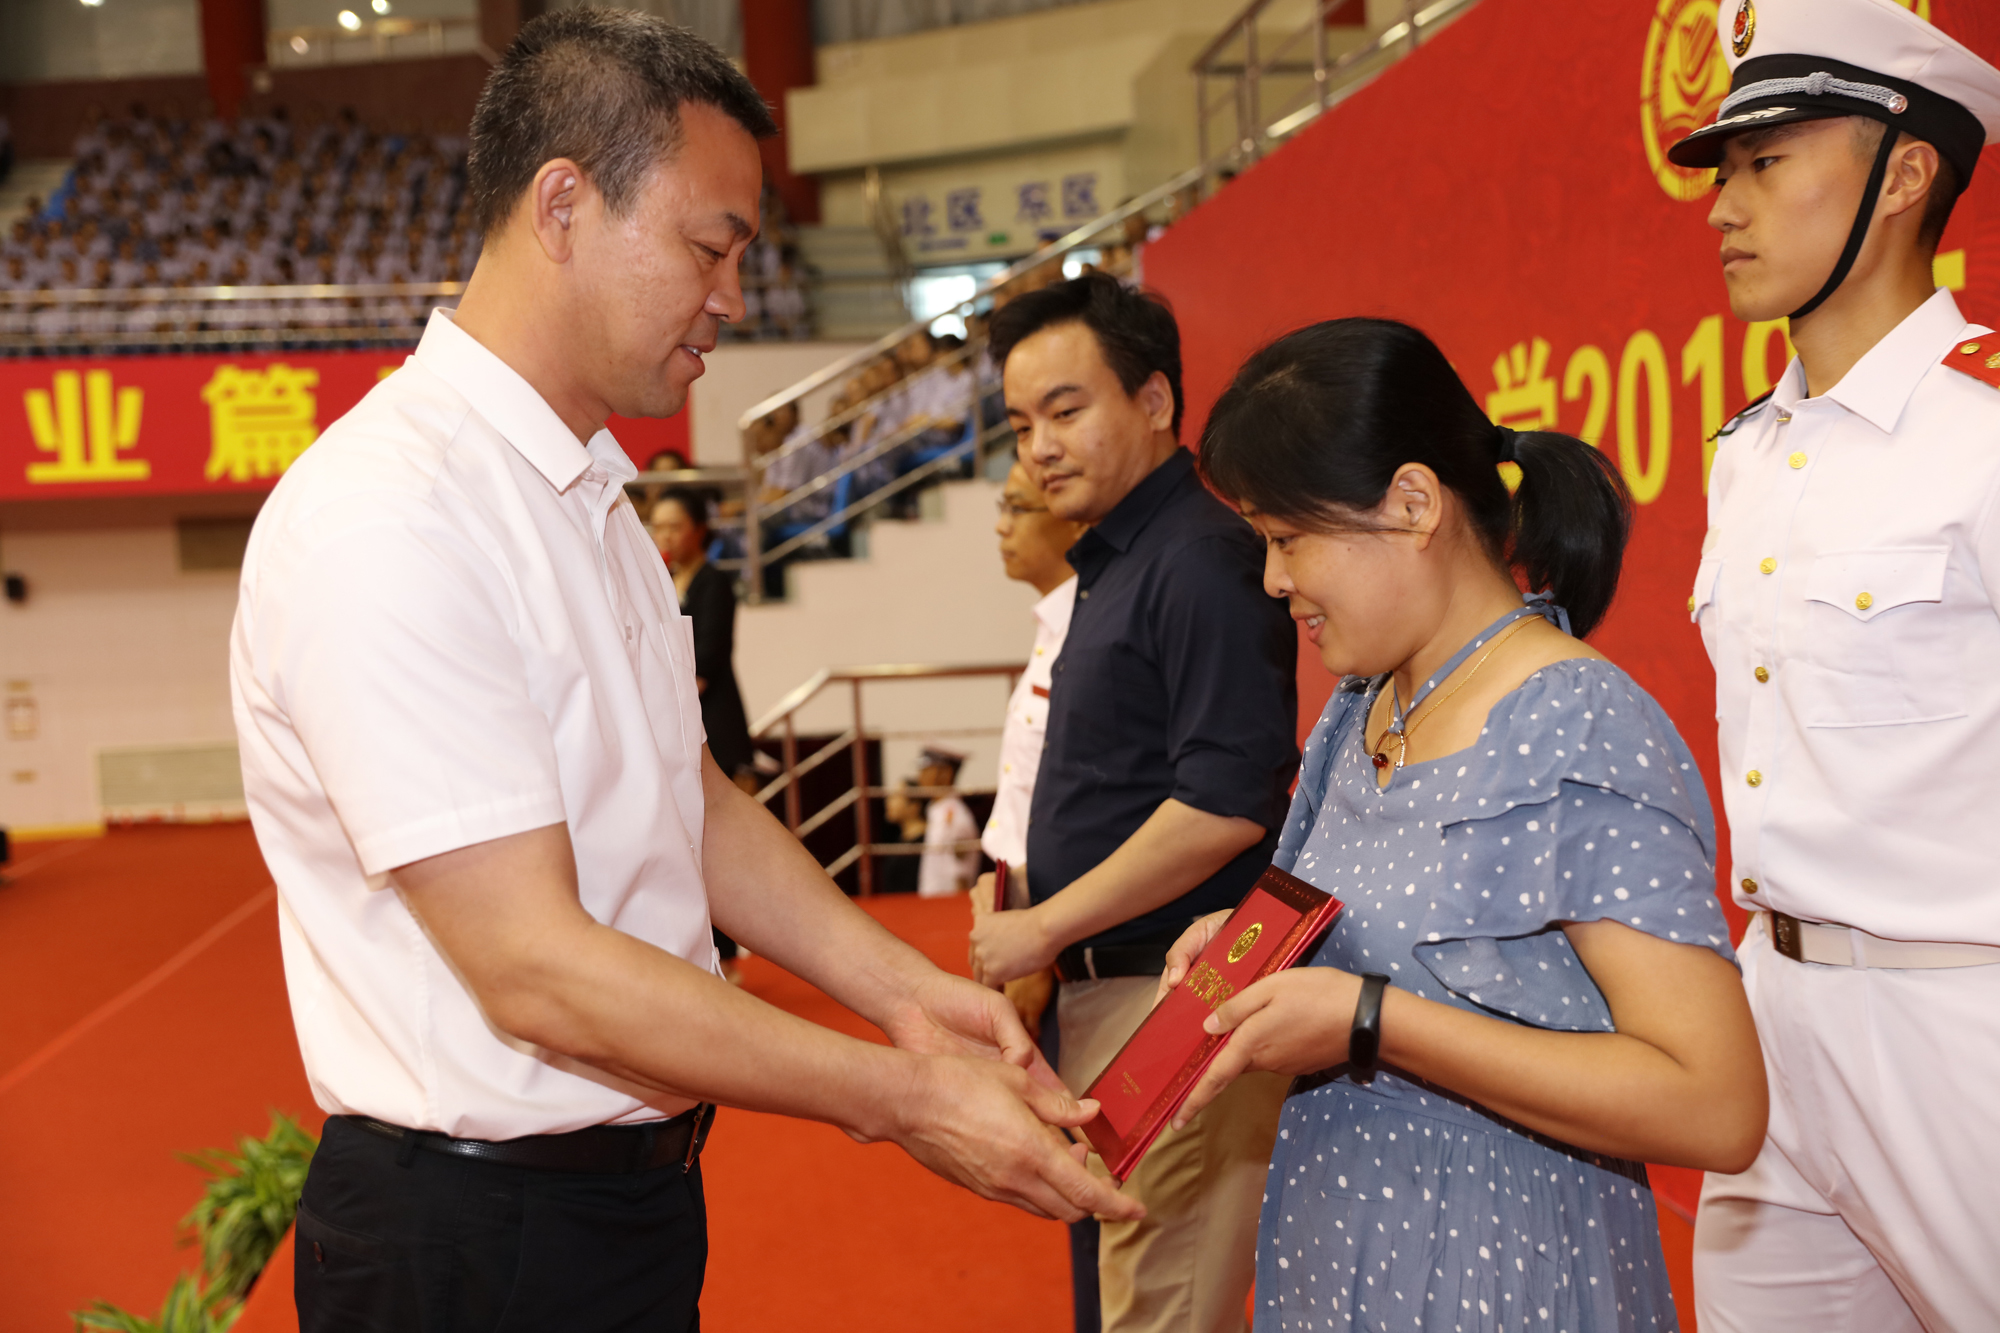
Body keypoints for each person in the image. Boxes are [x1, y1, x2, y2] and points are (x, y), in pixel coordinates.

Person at [228, 14, 1137, 1329]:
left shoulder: (589, 496)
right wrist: (902, 1098)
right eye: (710, 248)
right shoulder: (390, 515)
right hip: (470, 1236)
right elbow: (535, 967)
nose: (734, 297)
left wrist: (908, 996)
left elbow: (686, 798)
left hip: (626, 1196)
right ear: (562, 207)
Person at [1172, 317, 1765, 1333]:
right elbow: (1357, 942)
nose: (1273, 579)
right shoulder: (1361, 706)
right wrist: (1245, 953)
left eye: (1287, 537)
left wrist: (1372, 1020)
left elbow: (1713, 1103)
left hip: (1503, 1273)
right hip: (1339, 1254)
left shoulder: (1575, 722)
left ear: (1412, 503)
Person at [1662, 3, 2000, 1328]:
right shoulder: (1747, 453)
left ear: (1904, 175)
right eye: (1724, 171)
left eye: (1766, 163)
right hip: (1770, 1014)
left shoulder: (1982, 434)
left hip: (1956, 1021)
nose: (1722, 208)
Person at [968, 273, 1299, 1333]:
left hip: (1176, 993)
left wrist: (1043, 925)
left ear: (1154, 399)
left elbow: (1225, 803)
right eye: (1021, 424)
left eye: (1066, 410)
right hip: (1114, 992)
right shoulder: (1120, 557)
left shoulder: (1198, 559)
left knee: (1162, 1307)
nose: (1040, 447)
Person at [973, 455, 1093, 1331]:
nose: (1001, 524)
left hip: (1057, 935)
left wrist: (1036, 943)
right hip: (1021, 915)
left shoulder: (1091, 626)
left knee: (1096, 1172)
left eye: (1017, 506)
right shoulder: (1054, 622)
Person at [914, 744, 979, 899]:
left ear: (945, 773)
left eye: (926, 770)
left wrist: (958, 908)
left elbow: (961, 873)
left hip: (947, 904)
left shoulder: (955, 816)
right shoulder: (936, 811)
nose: (920, 777)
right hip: (932, 900)